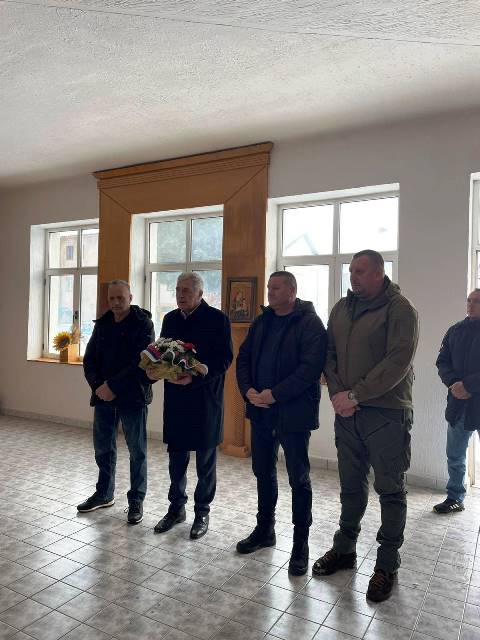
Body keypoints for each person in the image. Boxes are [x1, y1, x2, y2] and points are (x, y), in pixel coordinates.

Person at [313, 250, 418, 603]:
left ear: (378, 273)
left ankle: (387, 564)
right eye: (351, 271)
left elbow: (398, 362)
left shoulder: (400, 309)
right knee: (350, 486)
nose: (353, 277)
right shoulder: (341, 309)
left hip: (386, 413)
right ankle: (344, 549)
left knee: (390, 490)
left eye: (360, 271)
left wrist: (355, 394)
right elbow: (328, 353)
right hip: (347, 412)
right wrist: (338, 393)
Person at [235, 271, 327, 576]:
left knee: (298, 479)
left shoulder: (310, 323)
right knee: (263, 472)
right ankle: (265, 530)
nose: (270, 292)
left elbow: (309, 369)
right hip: (261, 410)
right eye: (269, 287)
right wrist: (248, 390)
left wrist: (275, 394)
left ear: (292, 290)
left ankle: (301, 544)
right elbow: (243, 359)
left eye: (276, 288)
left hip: (294, 413)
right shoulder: (262, 321)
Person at [151, 272, 233, 539]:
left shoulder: (217, 319)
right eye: (178, 290)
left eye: (186, 290)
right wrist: (155, 368)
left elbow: (224, 359)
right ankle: (176, 509)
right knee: (176, 459)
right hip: (177, 398)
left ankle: (202, 512)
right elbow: (163, 353)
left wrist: (196, 375)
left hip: (205, 399)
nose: (180, 295)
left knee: (205, 462)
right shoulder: (170, 319)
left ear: (200, 294)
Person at [79, 280, 155, 524]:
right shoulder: (103, 324)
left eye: (120, 298)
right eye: (111, 298)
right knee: (103, 448)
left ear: (130, 297)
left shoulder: (143, 324)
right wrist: (99, 387)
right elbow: (89, 360)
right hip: (103, 396)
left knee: (137, 451)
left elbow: (140, 363)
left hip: (132, 396)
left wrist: (112, 386)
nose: (115, 302)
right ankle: (104, 493)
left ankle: (136, 500)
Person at [433, 289, 480, 514]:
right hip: (458, 405)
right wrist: (454, 384)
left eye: (476, 301)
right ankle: (455, 498)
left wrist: (469, 386)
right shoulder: (455, 331)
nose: (470, 305)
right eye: (469, 300)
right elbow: (442, 362)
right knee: (455, 455)